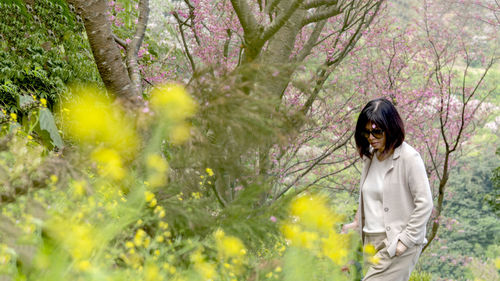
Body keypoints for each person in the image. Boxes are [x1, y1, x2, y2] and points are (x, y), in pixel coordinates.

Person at [341, 98, 433, 281]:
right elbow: (370, 195)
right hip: (369, 241)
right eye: (367, 132)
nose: (371, 137)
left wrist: (404, 241)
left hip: (396, 244)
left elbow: (425, 204)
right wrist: (356, 223)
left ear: (391, 128)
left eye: (377, 132)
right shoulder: (370, 157)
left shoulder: (409, 158)